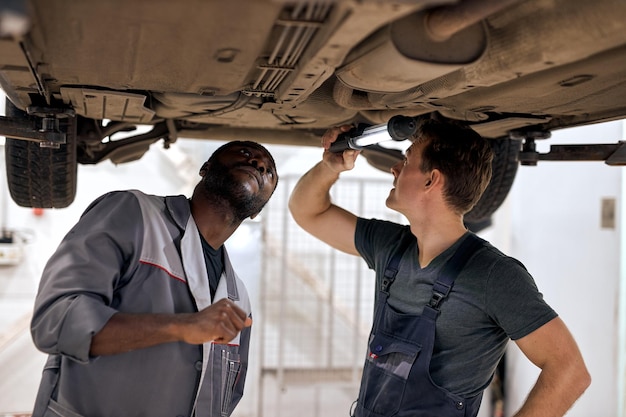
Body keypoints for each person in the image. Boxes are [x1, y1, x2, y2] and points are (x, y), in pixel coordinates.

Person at [288, 116, 590, 417]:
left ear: (432, 180)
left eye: (406, 161)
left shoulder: (493, 275)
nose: (394, 169)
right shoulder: (390, 247)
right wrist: (330, 167)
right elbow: (307, 211)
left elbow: (569, 371)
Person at [30, 141, 279, 417]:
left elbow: (222, 400)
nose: (258, 164)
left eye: (269, 171)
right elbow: (55, 319)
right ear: (205, 168)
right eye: (246, 153)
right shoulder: (132, 214)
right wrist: (180, 327)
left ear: (257, 211)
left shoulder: (238, 297)